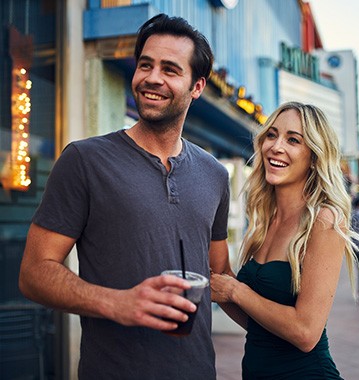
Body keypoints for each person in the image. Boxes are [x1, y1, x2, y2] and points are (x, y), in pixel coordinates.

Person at [19, 14, 231, 379]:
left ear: (196, 87)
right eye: (145, 64)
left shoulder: (214, 174)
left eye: (169, 69)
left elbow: (219, 276)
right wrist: (117, 302)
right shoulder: (84, 160)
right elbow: (34, 273)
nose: (152, 78)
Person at [211, 101, 359, 379]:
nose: (276, 146)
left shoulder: (324, 220)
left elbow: (306, 333)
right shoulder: (264, 220)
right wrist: (220, 285)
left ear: (314, 156)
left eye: (293, 140)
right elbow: (257, 321)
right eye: (271, 134)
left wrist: (235, 291)